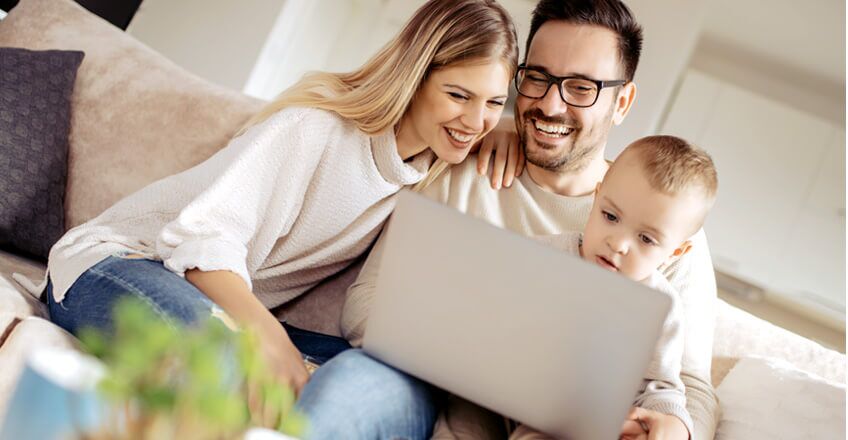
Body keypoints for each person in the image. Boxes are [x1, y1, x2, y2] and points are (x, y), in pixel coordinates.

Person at [41, 0, 518, 434]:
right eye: (459, 96)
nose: (476, 122)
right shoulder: (315, 128)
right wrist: (267, 336)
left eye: (494, 102)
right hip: (116, 263)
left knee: (377, 382)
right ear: (415, 77)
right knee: (227, 370)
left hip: (220, 304)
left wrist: (509, 129)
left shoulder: (431, 170)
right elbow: (202, 238)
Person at [333, 0, 721, 439]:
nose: (549, 105)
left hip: (565, 427)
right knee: (350, 387)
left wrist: (676, 430)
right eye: (537, 78)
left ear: (622, 102)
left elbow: (691, 386)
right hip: (418, 387)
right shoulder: (461, 163)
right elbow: (367, 300)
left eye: (580, 88)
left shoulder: (663, 229)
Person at [508, 135, 719, 439]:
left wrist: (676, 425)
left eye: (646, 239)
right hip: (497, 395)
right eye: (610, 216)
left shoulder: (660, 307)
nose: (618, 243)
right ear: (597, 197)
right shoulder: (540, 255)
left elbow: (660, 388)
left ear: (676, 252)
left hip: (574, 421)